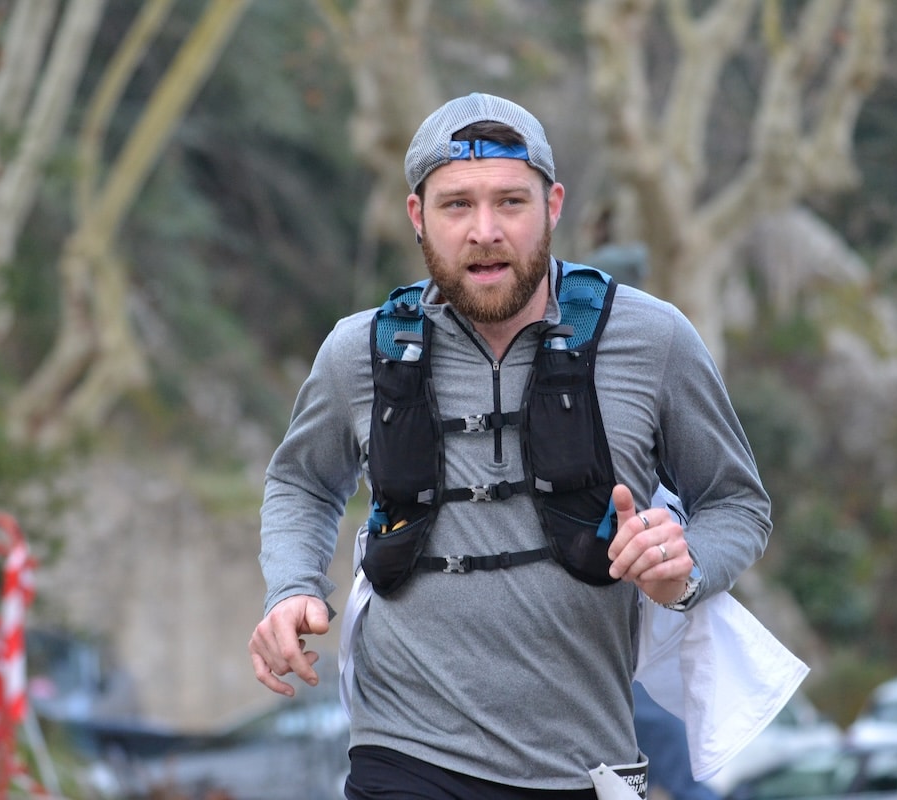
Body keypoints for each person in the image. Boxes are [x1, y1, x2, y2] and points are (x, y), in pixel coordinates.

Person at [249, 92, 772, 799]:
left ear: (552, 206)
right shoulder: (358, 352)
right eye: (457, 205)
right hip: (402, 748)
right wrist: (291, 588)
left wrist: (683, 571)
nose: (485, 231)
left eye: (510, 202)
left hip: (585, 762)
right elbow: (303, 482)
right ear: (418, 217)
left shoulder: (655, 339)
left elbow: (736, 504)